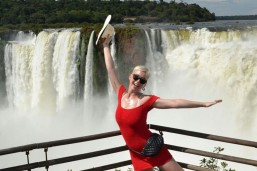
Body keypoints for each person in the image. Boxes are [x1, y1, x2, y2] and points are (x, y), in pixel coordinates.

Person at [101, 35, 222, 171]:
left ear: (144, 85)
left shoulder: (146, 100)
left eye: (142, 80)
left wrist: (203, 104)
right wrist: (106, 45)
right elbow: (111, 70)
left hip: (153, 148)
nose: (137, 81)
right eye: (136, 77)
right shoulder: (120, 93)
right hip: (137, 154)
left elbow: (175, 102)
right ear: (130, 76)